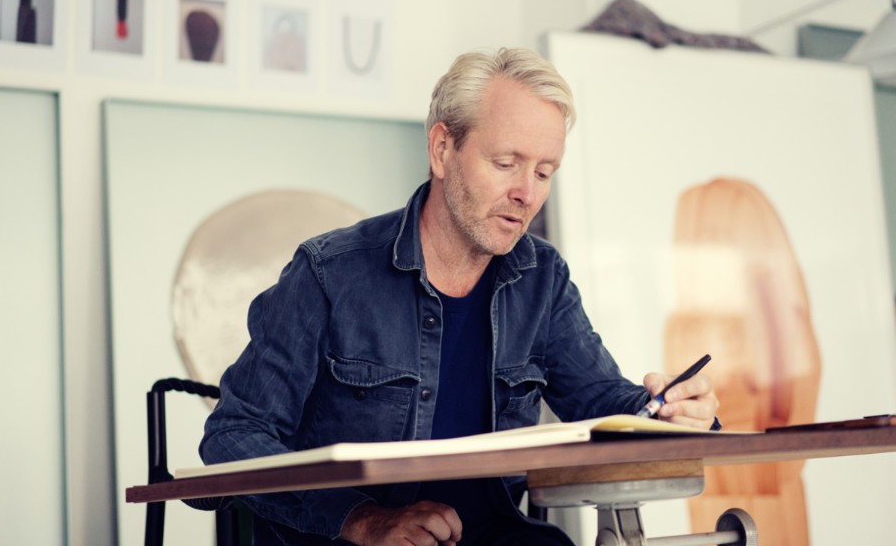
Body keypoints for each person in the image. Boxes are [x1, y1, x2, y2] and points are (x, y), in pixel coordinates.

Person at [200, 47, 720, 546]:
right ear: (443, 149)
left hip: (492, 535)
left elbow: (606, 405)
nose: (527, 193)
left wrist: (672, 412)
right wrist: (362, 519)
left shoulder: (543, 279)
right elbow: (233, 438)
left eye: (543, 173)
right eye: (506, 163)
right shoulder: (327, 274)